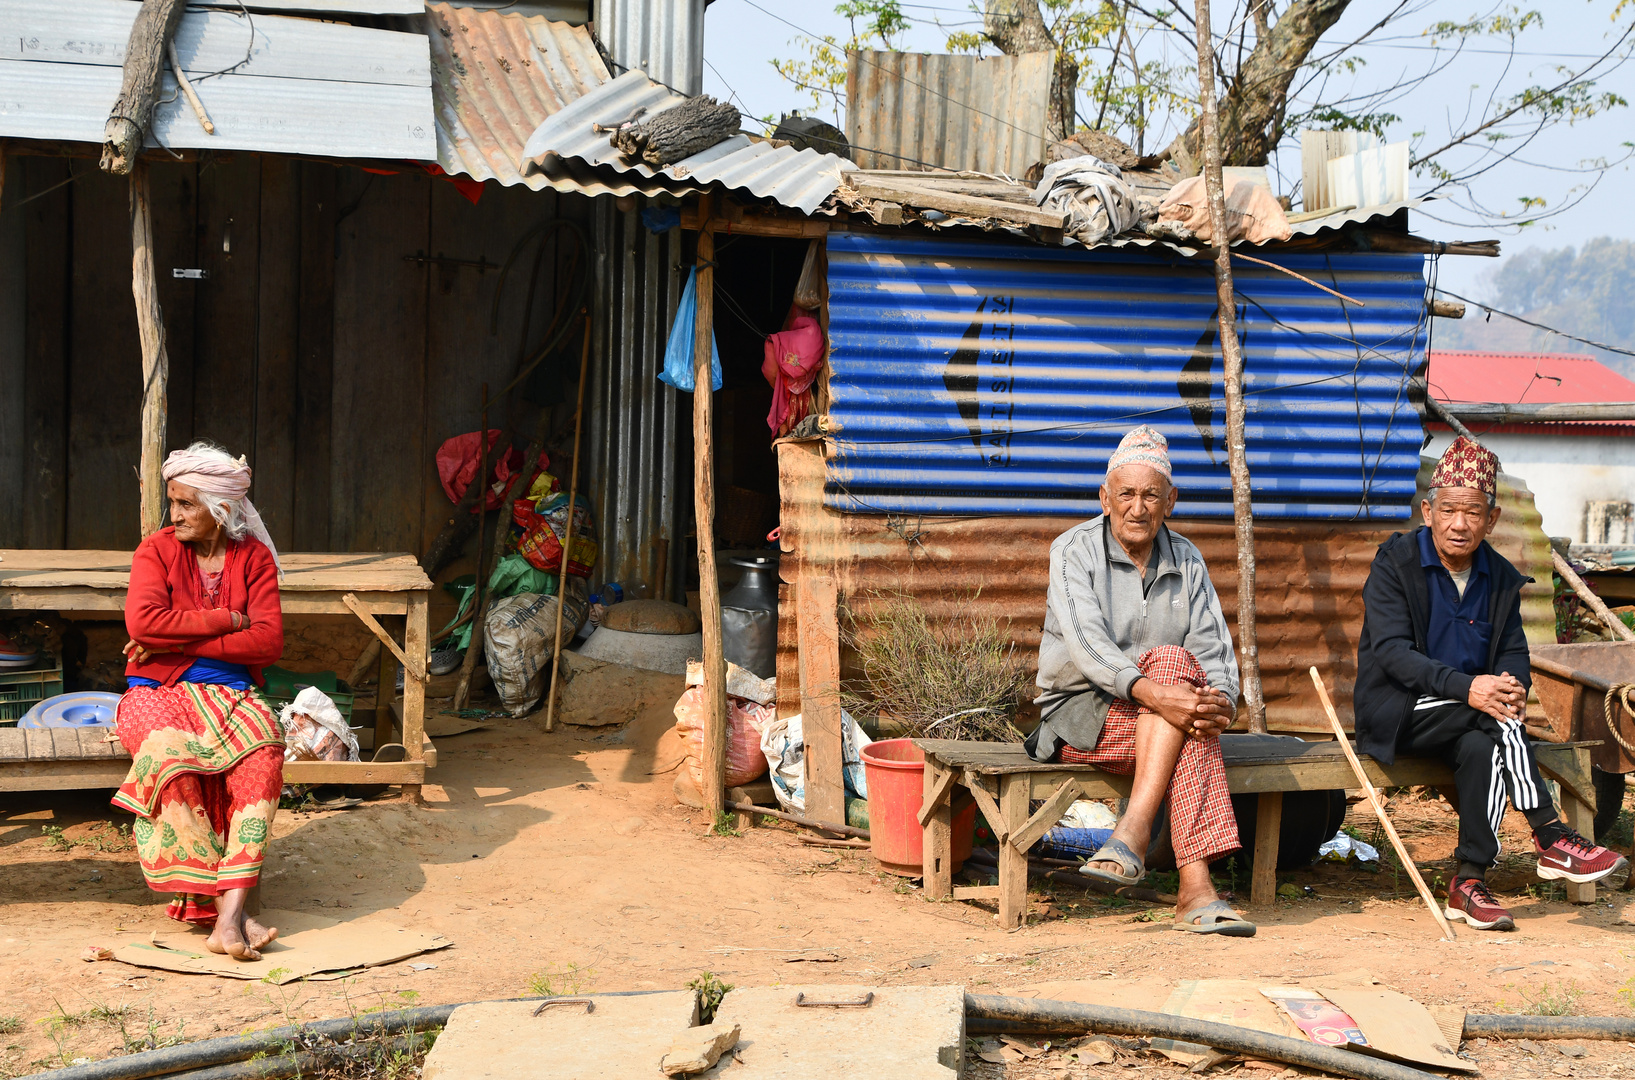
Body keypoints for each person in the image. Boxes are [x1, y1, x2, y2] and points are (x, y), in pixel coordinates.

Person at [1355, 435, 1627, 931]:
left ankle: (1468, 881)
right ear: (1428, 510)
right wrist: (1471, 690)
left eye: (1473, 512)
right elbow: (1393, 654)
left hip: (1472, 717)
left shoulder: (1500, 578)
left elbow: (1513, 654)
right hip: (1398, 711)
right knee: (1490, 716)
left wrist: (1511, 685)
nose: (1460, 523)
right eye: (1450, 510)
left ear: (1492, 519)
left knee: (1483, 743)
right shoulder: (1394, 564)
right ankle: (1549, 834)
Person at [1030, 425, 1252, 936]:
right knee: (1178, 690)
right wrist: (1154, 692)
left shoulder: (1188, 560)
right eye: (1126, 494)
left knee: (1189, 707)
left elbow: (1215, 651)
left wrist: (1220, 702)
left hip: (1156, 719)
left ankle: (1134, 840)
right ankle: (1191, 884)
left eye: (1151, 494)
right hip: (1080, 714)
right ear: (1104, 498)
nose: (1138, 507)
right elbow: (1087, 648)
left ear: (1170, 501)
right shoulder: (1073, 550)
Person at [112, 442, 287, 960]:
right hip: (156, 688)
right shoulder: (156, 551)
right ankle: (230, 911)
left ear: (221, 509)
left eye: (187, 504)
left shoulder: (252, 558)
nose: (177, 514)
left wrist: (174, 636)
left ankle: (227, 920)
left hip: (231, 689)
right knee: (173, 758)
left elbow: (269, 642)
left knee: (265, 751)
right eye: (173, 502)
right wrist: (230, 620)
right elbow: (143, 624)